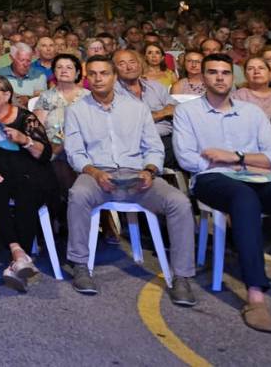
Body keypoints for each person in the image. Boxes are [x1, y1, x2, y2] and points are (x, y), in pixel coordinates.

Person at [173, 52, 271, 333]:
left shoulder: (251, 113)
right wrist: (244, 159)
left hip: (255, 175)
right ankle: (256, 295)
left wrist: (234, 157)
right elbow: (188, 159)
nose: (220, 77)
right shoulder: (187, 112)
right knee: (243, 199)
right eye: (213, 72)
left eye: (225, 72)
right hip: (211, 179)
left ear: (232, 77)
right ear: (203, 76)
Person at [62, 55, 196, 304]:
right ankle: (80, 264)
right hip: (97, 174)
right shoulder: (76, 111)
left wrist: (150, 170)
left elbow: (154, 147)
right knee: (78, 194)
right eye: (93, 74)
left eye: (104, 73)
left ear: (114, 77)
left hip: (137, 175)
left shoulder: (137, 108)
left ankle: (182, 277)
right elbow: (75, 152)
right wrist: (94, 173)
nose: (98, 78)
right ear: (87, 78)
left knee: (179, 202)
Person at [0, 76, 56, 291]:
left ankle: (17, 257)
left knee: (28, 191)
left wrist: (25, 140)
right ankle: (19, 255)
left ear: (7, 94)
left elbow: (45, 154)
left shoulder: (26, 118)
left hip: (29, 173)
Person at [32, 53, 89, 194]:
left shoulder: (88, 96)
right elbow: (37, 129)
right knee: (58, 166)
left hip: (85, 150)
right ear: (54, 72)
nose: (64, 70)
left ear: (77, 73)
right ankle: (67, 206)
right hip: (55, 150)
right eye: (59, 67)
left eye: (69, 67)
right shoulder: (46, 96)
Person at [113, 48, 179, 167]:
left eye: (132, 62)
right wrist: (162, 113)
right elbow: (128, 123)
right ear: (114, 69)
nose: (129, 67)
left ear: (139, 65)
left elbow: (175, 109)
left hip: (166, 139)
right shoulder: (112, 92)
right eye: (122, 64)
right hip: (133, 144)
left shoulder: (156, 87)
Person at [232, 55, 271, 121]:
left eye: (261, 68)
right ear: (245, 75)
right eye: (250, 68)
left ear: (270, 73)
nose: (256, 72)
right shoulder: (238, 96)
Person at [0, 43, 49, 107]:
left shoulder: (39, 75)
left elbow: (43, 100)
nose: (25, 64)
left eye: (28, 61)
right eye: (22, 60)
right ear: (11, 58)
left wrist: (28, 98)